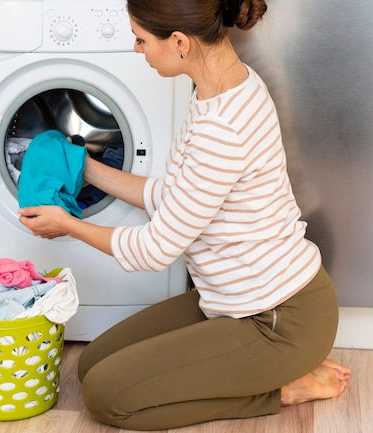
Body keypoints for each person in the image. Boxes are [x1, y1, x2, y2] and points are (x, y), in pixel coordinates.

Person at [18, 0, 352, 429]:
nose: (136, 48)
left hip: (278, 321)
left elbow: (154, 249)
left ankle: (282, 389)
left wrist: (67, 224)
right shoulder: (227, 89)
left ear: (179, 42)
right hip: (234, 302)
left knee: (107, 398)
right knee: (92, 365)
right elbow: (178, 198)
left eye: (141, 39)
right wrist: (87, 167)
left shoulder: (220, 128)